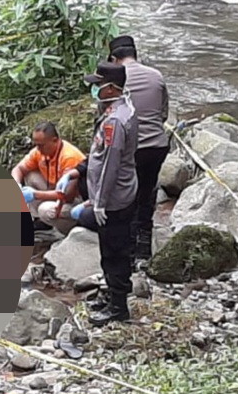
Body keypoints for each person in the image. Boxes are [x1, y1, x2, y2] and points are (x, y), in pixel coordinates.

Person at [80, 63, 139, 327]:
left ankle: (119, 308)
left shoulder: (115, 120)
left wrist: (101, 203)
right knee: (109, 248)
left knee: (115, 250)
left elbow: (110, 164)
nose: (95, 89)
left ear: (112, 88)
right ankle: (112, 296)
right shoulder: (120, 109)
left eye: (98, 85)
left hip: (115, 199)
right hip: (115, 194)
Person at [109, 35, 170, 261]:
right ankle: (144, 247)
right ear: (136, 54)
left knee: (126, 198)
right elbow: (163, 114)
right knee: (147, 192)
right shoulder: (157, 76)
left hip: (129, 148)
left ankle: (129, 251)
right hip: (156, 145)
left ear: (114, 59)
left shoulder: (114, 80)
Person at [10, 122, 86, 234]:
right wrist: (17, 184)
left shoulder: (69, 156)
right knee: (30, 175)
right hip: (53, 188)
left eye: (41, 145)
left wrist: (35, 194)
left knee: (45, 210)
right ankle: (39, 221)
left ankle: (68, 231)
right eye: (36, 145)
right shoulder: (39, 152)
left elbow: (67, 196)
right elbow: (19, 169)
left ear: (55, 140)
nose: (38, 149)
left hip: (76, 200)